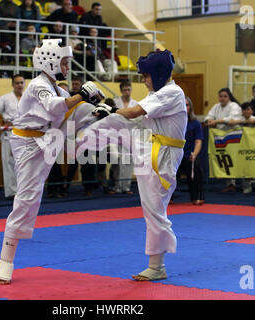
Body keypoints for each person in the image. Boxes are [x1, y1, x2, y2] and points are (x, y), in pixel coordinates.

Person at [0, 38, 105, 284]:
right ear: (51, 61)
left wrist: (97, 107)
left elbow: (70, 113)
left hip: (46, 140)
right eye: (64, 62)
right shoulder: (38, 85)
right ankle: (5, 261)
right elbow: (56, 108)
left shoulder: (58, 88)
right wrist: (81, 96)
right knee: (26, 198)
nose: (67, 67)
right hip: (27, 144)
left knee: (33, 198)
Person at [79, 49, 187, 281]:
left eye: (146, 76)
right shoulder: (160, 92)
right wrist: (109, 112)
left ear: (157, 74)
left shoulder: (171, 92)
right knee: (114, 119)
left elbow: (135, 111)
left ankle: (157, 266)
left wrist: (113, 109)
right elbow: (134, 116)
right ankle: (78, 139)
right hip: (150, 147)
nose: (143, 80)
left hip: (163, 156)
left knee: (154, 208)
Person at [0, 74, 24, 200]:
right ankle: (11, 192)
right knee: (9, 164)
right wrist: (1, 126)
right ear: (13, 85)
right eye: (17, 83)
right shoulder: (5, 98)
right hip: (9, 133)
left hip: (25, 134)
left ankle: (22, 191)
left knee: (23, 164)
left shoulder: (27, 98)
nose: (20, 85)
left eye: (21, 82)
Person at [204, 88, 242, 192]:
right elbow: (208, 117)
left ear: (229, 97)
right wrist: (209, 120)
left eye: (225, 96)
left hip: (233, 137)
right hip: (220, 137)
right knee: (224, 159)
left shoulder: (234, 106)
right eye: (221, 96)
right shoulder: (216, 106)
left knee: (233, 159)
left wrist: (216, 121)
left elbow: (231, 120)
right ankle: (229, 184)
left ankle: (237, 184)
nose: (222, 98)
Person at [111, 80, 138, 194]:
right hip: (117, 134)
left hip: (131, 134)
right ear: (121, 91)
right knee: (118, 161)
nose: (127, 92)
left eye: (129, 89)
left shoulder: (135, 104)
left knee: (129, 161)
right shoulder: (116, 102)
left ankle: (126, 186)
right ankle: (117, 186)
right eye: (125, 90)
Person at [176, 96, 204, 204]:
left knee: (195, 167)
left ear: (190, 107)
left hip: (189, 154)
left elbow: (198, 142)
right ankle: (168, 199)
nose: (184, 107)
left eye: (187, 105)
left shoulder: (195, 123)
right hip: (176, 155)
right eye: (182, 104)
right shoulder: (174, 122)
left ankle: (196, 197)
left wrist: (195, 154)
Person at [228, 102, 255, 194]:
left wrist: (242, 122)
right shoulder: (240, 118)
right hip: (240, 147)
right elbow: (231, 122)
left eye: (248, 109)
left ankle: (249, 185)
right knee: (241, 166)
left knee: (249, 167)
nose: (246, 112)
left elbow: (252, 121)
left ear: (252, 111)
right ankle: (238, 185)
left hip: (252, 147)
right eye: (244, 110)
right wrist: (242, 121)